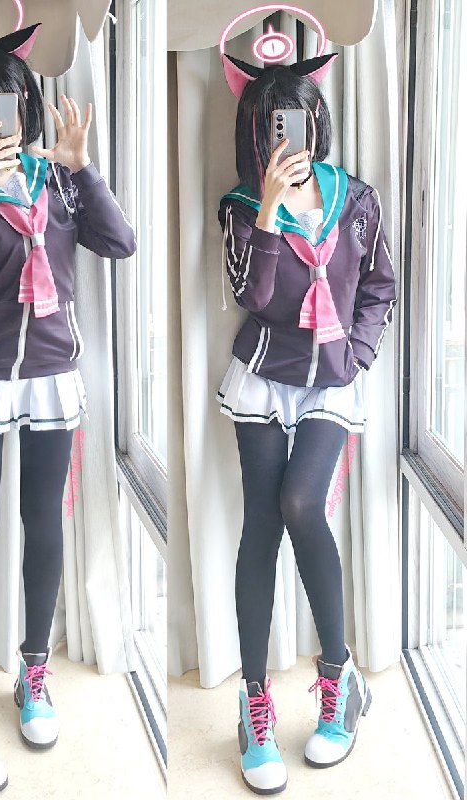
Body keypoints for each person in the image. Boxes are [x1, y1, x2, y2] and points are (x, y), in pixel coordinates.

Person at [0, 23, 135, 795]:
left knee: (45, 523)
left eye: (6, 101)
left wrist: (84, 168)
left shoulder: (61, 181)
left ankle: (34, 674)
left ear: (27, 104)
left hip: (51, 375)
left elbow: (120, 243)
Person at [217, 50, 396, 794]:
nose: (287, 134)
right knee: (261, 522)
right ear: (255, 132)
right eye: (271, 124)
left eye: (295, 119)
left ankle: (338, 676)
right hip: (264, 375)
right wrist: (266, 210)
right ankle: (254, 702)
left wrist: (357, 354)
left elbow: (380, 285)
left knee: (300, 502)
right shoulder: (238, 206)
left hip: (331, 381)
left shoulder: (357, 200)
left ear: (316, 120)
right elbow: (254, 296)